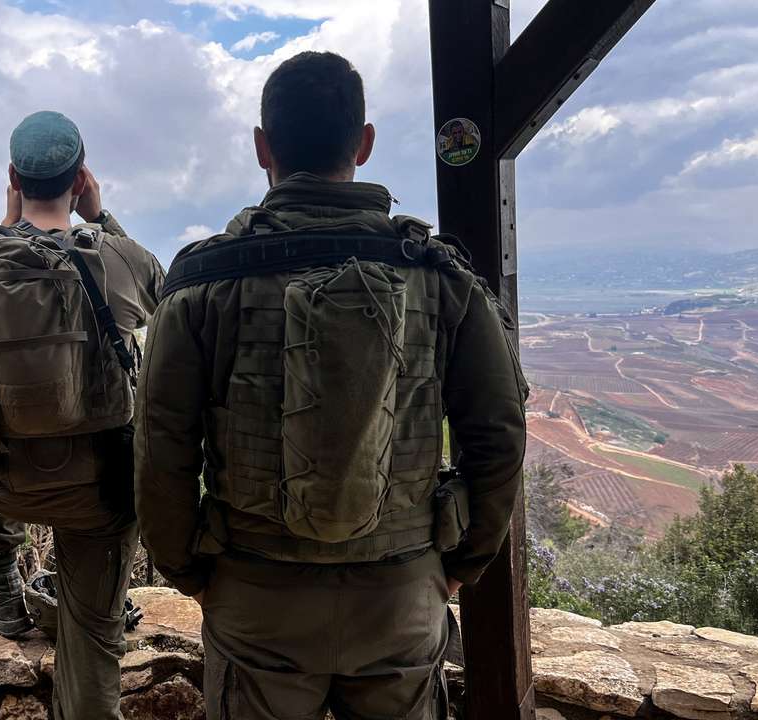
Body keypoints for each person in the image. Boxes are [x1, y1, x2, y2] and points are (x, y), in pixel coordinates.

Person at [134, 51, 527, 719]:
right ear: (364, 143)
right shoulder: (442, 279)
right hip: (401, 594)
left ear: (263, 147)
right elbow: (499, 435)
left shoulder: (203, 283)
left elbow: (161, 448)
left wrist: (191, 573)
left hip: (255, 597)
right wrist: (459, 565)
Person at [0, 110, 163, 719]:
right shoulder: (120, 258)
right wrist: (102, 218)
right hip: (98, 494)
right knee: (93, 637)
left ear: (14, 178)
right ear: (82, 178)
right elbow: (165, 294)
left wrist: (5, 221)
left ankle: (4, 590)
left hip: (2, 483)